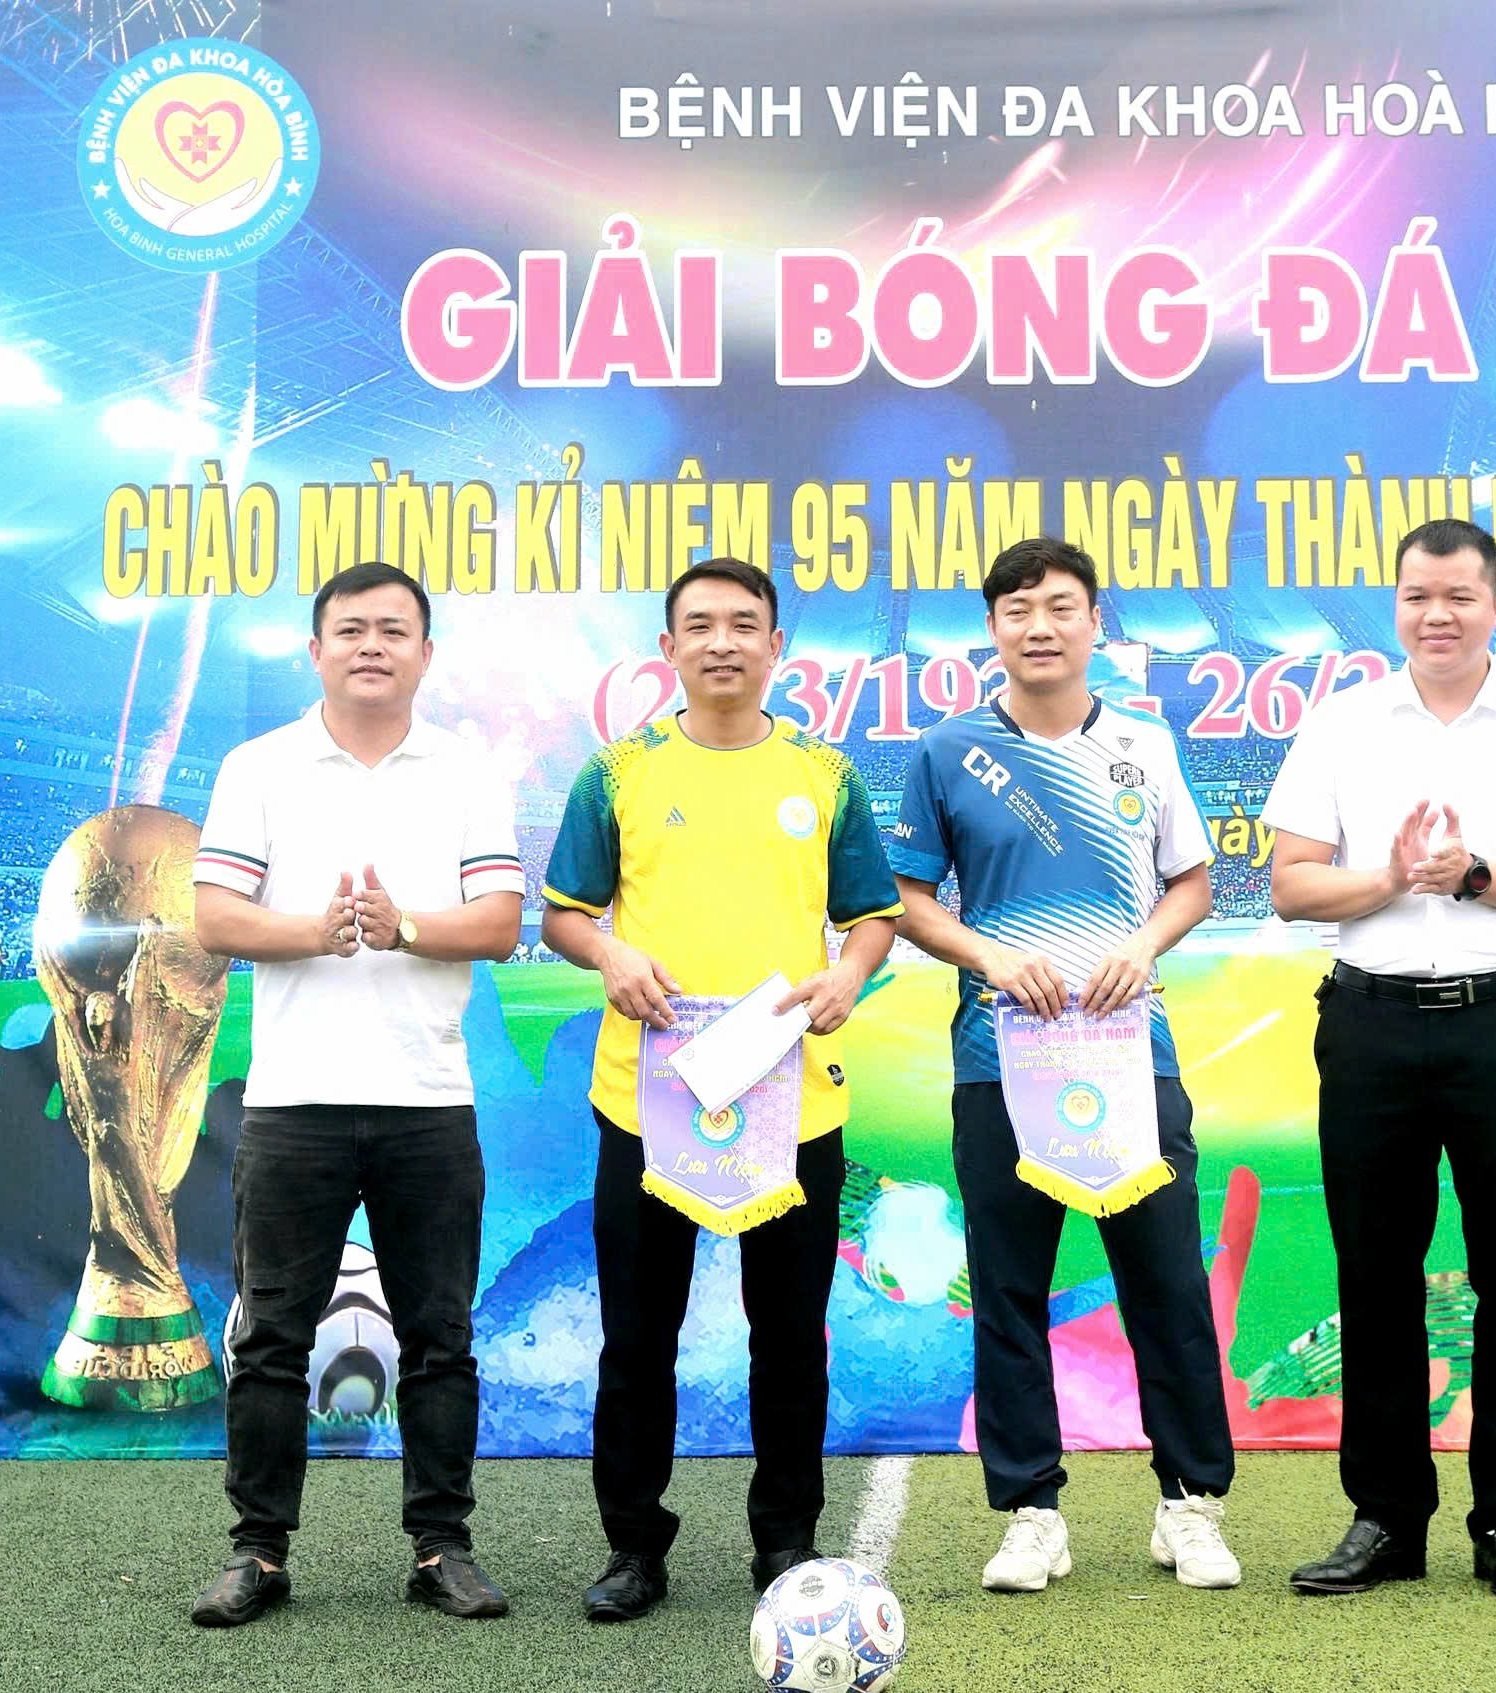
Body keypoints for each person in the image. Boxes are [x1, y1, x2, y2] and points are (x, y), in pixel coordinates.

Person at [1262, 518, 1496, 1603]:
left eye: (1459, 596)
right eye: (1418, 595)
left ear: (1495, 606)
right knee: (1374, 1277)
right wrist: (1387, 880)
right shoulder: (1341, 724)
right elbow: (1290, 884)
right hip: (1370, 1023)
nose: (1437, 615)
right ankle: (1385, 1518)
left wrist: (1472, 874)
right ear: (1396, 605)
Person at [541, 558, 901, 1623]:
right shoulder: (617, 772)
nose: (722, 642)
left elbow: (873, 915)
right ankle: (632, 1544)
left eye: (744, 624)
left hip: (792, 1096)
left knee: (787, 1337)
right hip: (648, 1098)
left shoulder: (825, 774)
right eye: (698, 625)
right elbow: (564, 913)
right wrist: (609, 954)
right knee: (637, 1337)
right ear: (668, 648)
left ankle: (785, 1539)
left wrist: (847, 973)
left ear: (776, 646)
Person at [890, 536, 1240, 1593]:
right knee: (1007, 1288)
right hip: (999, 1059)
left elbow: (1191, 882)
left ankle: (1191, 1504)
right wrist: (991, 955)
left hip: (1133, 1055)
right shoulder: (949, 751)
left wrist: (1142, 945)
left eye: (1058, 607)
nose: (1038, 627)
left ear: (1094, 622)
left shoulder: (1141, 743)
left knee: (1165, 1280)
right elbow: (905, 898)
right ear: (991, 629)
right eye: (1016, 610)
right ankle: (1030, 1512)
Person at [189, 562, 525, 1626]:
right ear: (315, 650)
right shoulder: (259, 766)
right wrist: (318, 931)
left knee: (439, 1336)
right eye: (349, 629)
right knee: (270, 1337)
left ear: (425, 653)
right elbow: (215, 916)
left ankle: (441, 1547)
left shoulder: (467, 771)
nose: (371, 645)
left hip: (428, 1100)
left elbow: (499, 922)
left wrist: (403, 926)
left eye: (392, 629)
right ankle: (258, 1552)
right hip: (295, 1101)